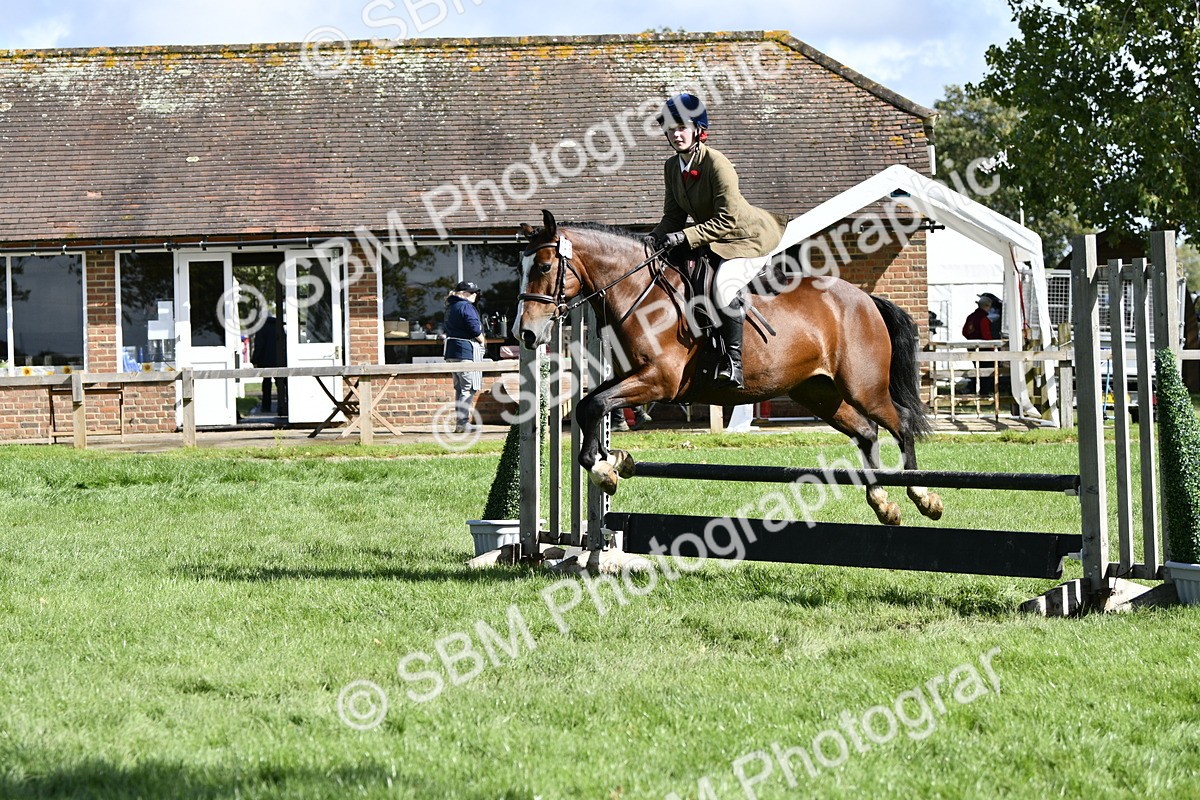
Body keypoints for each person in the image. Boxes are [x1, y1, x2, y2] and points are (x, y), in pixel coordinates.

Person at [644, 93, 788, 390]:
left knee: (724, 286)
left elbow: (727, 220)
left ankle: (733, 362)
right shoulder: (672, 166)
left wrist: (685, 236)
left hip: (746, 238)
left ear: (698, 130)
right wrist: (651, 240)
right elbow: (672, 216)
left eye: (682, 127)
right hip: (713, 238)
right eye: (671, 128)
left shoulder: (717, 164)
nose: (676, 133)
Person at [443, 280, 485, 433]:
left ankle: (461, 423)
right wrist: (482, 340)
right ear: (463, 294)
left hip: (451, 351)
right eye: (471, 292)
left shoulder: (450, 306)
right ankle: (462, 423)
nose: (474, 295)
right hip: (465, 350)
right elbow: (474, 328)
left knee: (459, 388)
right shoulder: (466, 306)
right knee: (467, 388)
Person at [250, 315, 286, 415]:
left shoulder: (261, 328)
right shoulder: (279, 326)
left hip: (265, 360)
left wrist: (254, 360)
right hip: (279, 359)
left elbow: (259, 345)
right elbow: (284, 342)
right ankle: (282, 405)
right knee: (281, 383)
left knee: (266, 383)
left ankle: (266, 406)